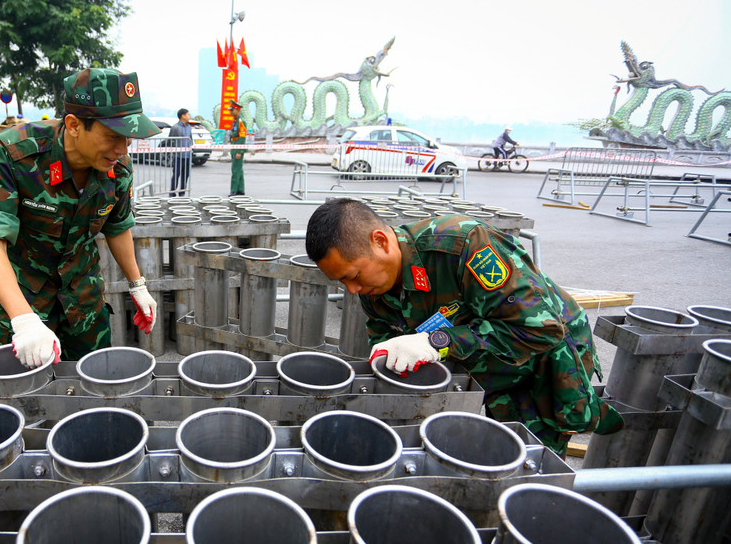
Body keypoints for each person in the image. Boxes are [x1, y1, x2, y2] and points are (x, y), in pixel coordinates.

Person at [305, 198, 623, 455]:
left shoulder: (461, 245)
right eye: (341, 281)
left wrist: (437, 342)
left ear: (380, 241)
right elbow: (391, 344)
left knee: (525, 458)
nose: (351, 290)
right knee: (477, 446)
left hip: (542, 361)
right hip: (483, 366)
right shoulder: (375, 285)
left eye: (352, 276)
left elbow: (539, 331)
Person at [0, 68, 161, 368]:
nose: (122, 149)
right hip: (24, 300)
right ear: (73, 125)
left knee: (93, 388)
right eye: (113, 136)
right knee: (32, 399)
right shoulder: (14, 154)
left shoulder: (118, 167)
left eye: (129, 139)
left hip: (84, 302)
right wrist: (23, 320)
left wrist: (138, 285)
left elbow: (117, 226)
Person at [168, 108, 193, 197]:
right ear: (183, 116)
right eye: (188, 114)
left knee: (185, 175)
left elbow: (191, 140)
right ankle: (172, 193)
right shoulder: (175, 127)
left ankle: (182, 192)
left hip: (187, 156)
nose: (189, 116)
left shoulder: (189, 127)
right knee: (176, 175)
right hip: (178, 156)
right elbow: (170, 140)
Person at [228, 99, 247, 196]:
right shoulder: (235, 121)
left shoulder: (241, 121)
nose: (230, 112)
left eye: (232, 110)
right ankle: (240, 189)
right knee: (238, 169)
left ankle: (234, 190)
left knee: (235, 169)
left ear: (237, 110)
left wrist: (239, 151)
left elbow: (242, 137)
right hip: (234, 147)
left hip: (238, 148)